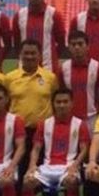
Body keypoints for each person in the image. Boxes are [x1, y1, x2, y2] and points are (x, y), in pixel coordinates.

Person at [19, 89, 90, 196]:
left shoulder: (80, 124)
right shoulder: (44, 124)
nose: (62, 105)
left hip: (68, 166)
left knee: (71, 181)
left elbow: (84, 149)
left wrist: (75, 165)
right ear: (53, 104)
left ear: (72, 104)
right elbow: (36, 148)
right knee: (27, 182)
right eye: (58, 102)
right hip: (47, 167)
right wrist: (32, 165)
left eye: (65, 102)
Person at [4, 40, 59, 179]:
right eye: (26, 53)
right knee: (18, 166)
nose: (29, 56)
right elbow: (5, 104)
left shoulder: (50, 78)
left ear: (40, 55)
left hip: (43, 131)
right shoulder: (9, 78)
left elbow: (56, 102)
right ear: (20, 55)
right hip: (17, 132)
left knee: (45, 167)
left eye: (33, 53)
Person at [57, 31, 99, 132]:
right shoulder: (63, 68)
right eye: (73, 44)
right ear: (69, 47)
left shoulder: (98, 68)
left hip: (92, 117)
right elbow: (61, 92)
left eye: (80, 44)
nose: (77, 48)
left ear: (88, 46)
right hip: (70, 119)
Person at [12, 0, 66, 72]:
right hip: (24, 68)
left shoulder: (54, 15)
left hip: (48, 68)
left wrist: (50, 57)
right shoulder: (19, 15)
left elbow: (61, 43)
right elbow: (17, 43)